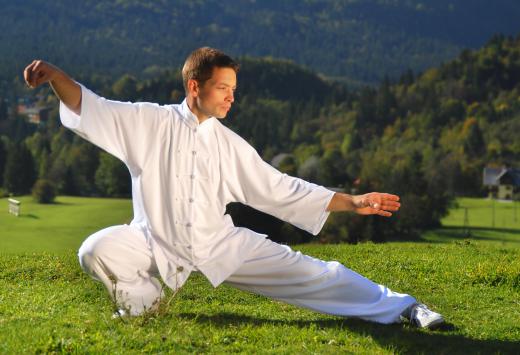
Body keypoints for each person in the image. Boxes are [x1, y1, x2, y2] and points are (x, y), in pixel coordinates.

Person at [23, 47, 444, 329]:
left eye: (233, 90)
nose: (230, 98)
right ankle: (143, 306)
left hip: (221, 245)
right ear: (195, 86)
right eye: (223, 88)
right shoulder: (147, 122)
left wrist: (353, 201)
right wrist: (56, 76)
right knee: (96, 249)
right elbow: (91, 107)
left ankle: (403, 306)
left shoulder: (230, 145)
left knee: (315, 274)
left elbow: (282, 188)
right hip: (153, 241)